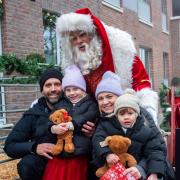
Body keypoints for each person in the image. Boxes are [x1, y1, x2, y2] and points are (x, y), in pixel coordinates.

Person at [56, 7, 159, 125]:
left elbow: (141, 83)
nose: (79, 41)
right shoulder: (74, 62)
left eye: (82, 35)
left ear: (92, 33)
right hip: (98, 119)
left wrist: (148, 111)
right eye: (74, 38)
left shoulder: (121, 49)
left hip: (127, 114)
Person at [3, 68, 94, 180]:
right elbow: (10, 146)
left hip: (75, 158)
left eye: (57, 84)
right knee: (27, 165)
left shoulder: (79, 108)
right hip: (46, 161)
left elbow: (101, 132)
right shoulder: (34, 114)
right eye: (48, 85)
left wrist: (91, 134)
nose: (53, 89)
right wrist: (34, 147)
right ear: (42, 90)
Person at [92, 71, 166, 180]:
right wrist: (106, 154)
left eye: (109, 96)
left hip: (143, 172)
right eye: (100, 98)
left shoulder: (141, 116)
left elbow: (155, 149)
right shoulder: (103, 121)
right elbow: (99, 142)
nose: (105, 102)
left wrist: (146, 170)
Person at [42, 65, 99, 180]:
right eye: (68, 90)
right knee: (54, 174)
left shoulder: (90, 104)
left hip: (79, 151)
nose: (72, 93)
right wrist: (53, 128)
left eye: (75, 89)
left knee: (75, 175)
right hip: (60, 151)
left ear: (83, 89)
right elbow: (51, 118)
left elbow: (88, 116)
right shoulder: (61, 104)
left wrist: (72, 124)